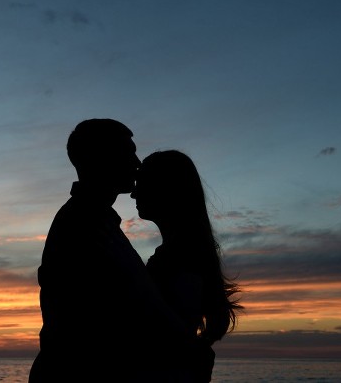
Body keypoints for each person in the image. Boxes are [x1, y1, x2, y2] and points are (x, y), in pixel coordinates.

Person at [29, 119, 201, 382]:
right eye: (128, 152)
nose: (137, 162)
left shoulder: (96, 221)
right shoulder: (85, 225)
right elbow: (101, 321)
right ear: (98, 158)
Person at [131, 150, 243, 382]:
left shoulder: (181, 255)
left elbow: (172, 331)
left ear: (166, 189)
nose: (133, 194)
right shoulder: (182, 251)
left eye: (141, 184)